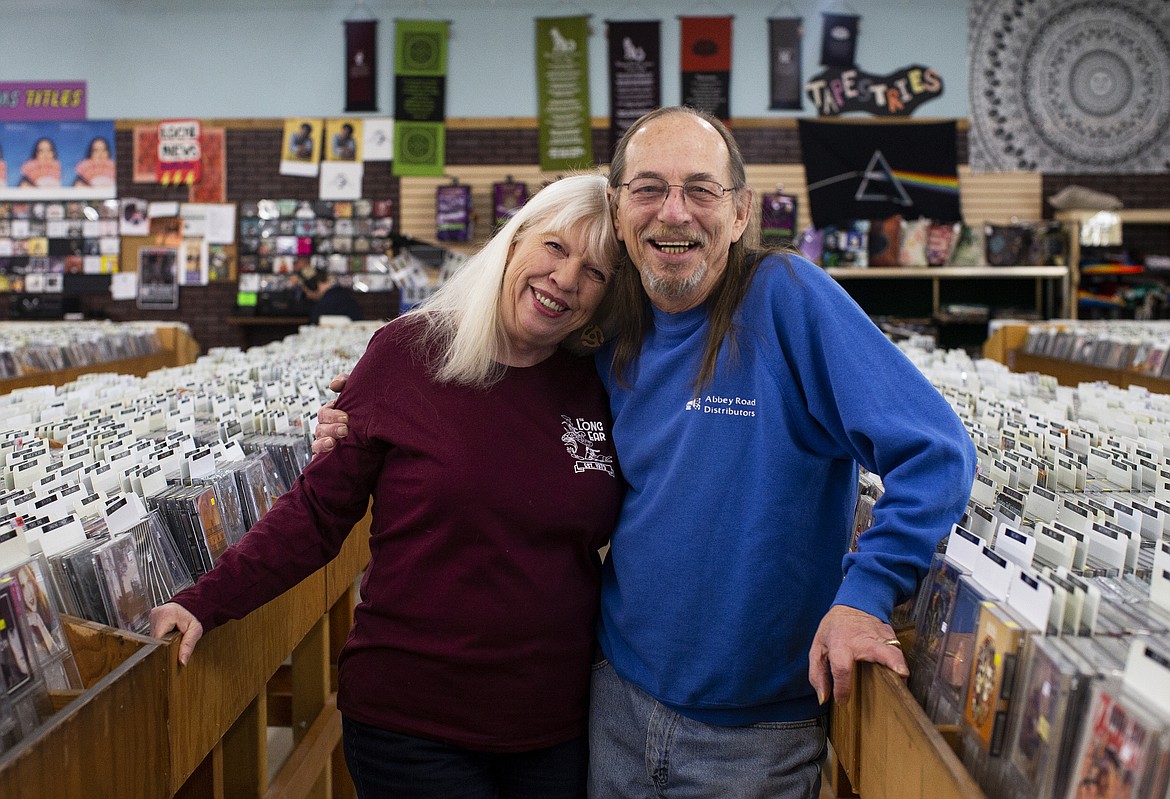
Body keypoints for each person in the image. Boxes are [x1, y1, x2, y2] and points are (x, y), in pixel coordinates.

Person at [315, 106, 977, 797]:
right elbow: (509, 389)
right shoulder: (605, 327)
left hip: (753, 736)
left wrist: (867, 594)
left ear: (741, 211)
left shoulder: (787, 298)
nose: (675, 212)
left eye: (700, 189)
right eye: (649, 188)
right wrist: (370, 406)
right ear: (618, 205)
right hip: (612, 706)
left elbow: (937, 453)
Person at [150, 173, 626, 798]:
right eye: (556, 248)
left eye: (594, 271)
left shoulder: (607, 382)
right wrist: (205, 599)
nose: (565, 279)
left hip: (554, 727)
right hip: (411, 723)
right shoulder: (408, 353)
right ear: (512, 244)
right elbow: (318, 512)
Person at [296, 265, 364, 324]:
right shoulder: (346, 295)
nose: (307, 295)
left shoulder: (322, 307)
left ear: (313, 286)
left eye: (306, 291)